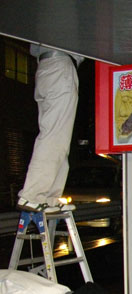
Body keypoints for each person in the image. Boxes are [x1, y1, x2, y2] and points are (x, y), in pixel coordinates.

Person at [16, 44, 84, 213]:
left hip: (47, 66)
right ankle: (32, 195)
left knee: (58, 138)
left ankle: (49, 198)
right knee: (55, 137)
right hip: (61, 64)